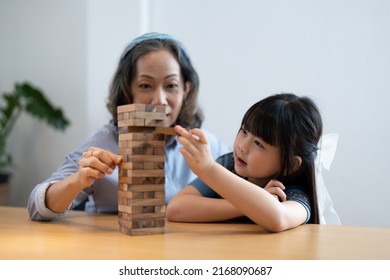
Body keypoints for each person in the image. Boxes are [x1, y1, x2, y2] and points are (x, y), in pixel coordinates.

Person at [27, 32, 231, 221]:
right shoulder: (105, 142)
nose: (160, 100)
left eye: (171, 85)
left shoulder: (206, 145)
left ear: (185, 90)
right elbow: (36, 207)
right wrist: (78, 180)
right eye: (145, 85)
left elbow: (253, 190)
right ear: (127, 91)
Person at [167, 93, 327, 232]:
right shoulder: (229, 165)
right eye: (244, 132)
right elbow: (176, 209)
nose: (242, 147)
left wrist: (209, 169)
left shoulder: (294, 193)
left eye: (258, 143)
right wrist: (245, 205)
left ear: (290, 165)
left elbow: (278, 218)